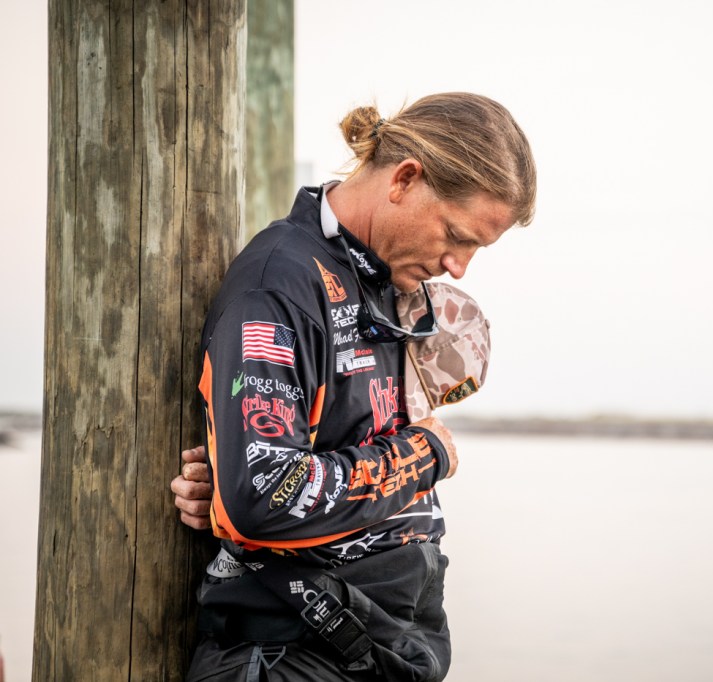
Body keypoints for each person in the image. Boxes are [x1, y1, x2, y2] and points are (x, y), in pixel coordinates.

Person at [174, 92, 535, 681]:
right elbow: (265, 496)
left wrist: (230, 485)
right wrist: (423, 455)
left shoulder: (384, 278)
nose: (460, 266)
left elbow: (276, 476)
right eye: (456, 235)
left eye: (476, 248)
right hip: (292, 657)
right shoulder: (280, 286)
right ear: (405, 179)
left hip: (378, 650)